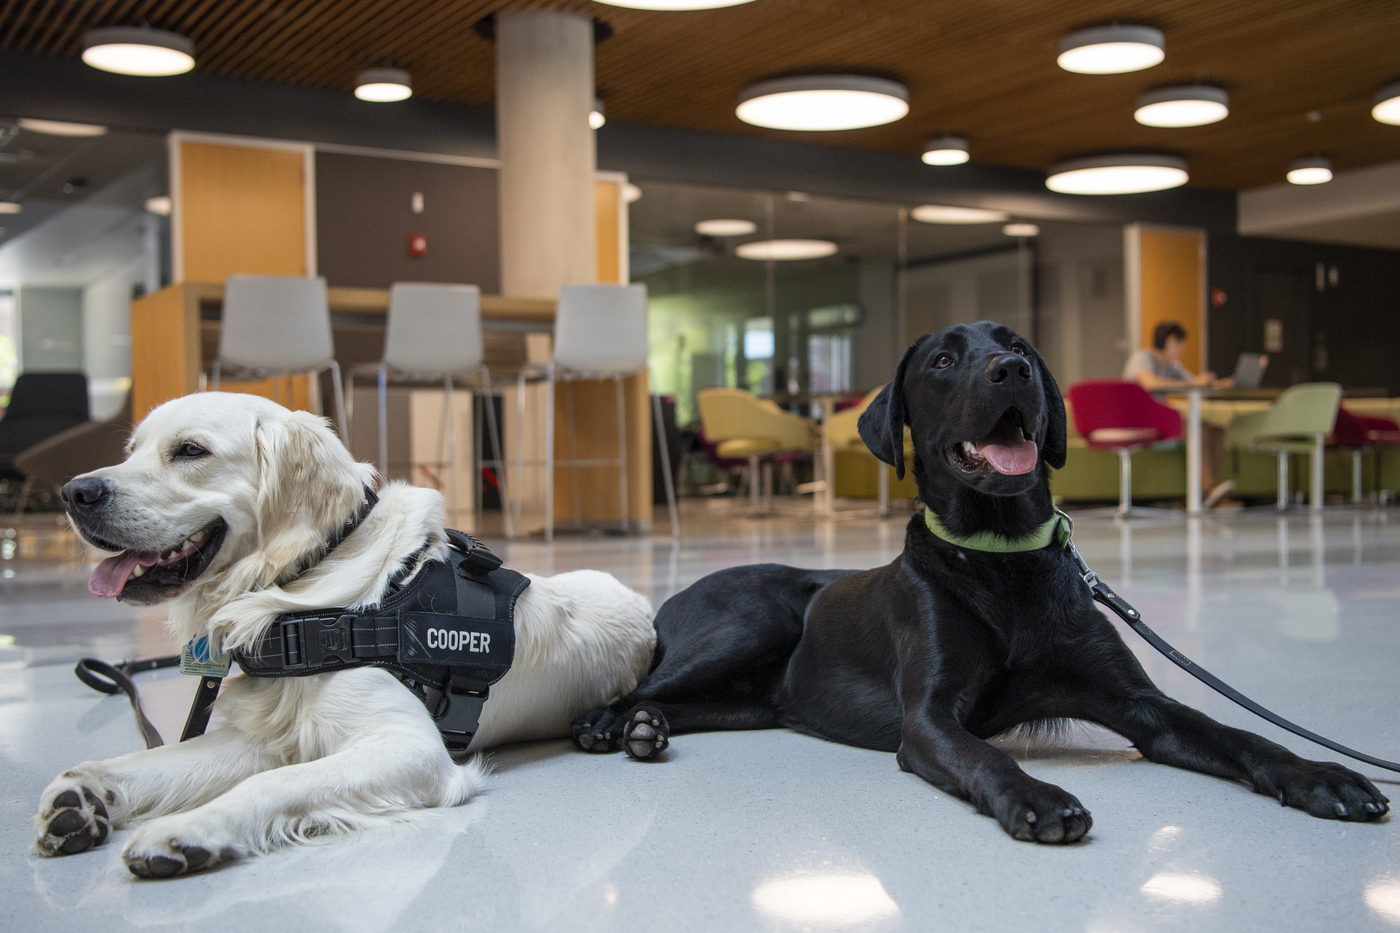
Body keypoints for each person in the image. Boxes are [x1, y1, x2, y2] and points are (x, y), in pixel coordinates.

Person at [1122, 321, 1236, 508]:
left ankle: (1207, 491)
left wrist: (1226, 383)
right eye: (1177, 343)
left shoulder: (1171, 365)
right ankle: (1205, 492)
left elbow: (1195, 383)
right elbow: (1149, 383)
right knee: (1194, 427)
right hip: (1138, 421)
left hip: (1157, 420)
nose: (1181, 349)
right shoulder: (1142, 358)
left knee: (1213, 429)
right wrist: (1192, 384)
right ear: (1163, 342)